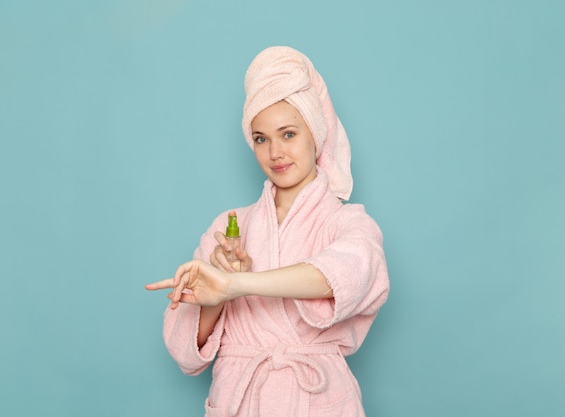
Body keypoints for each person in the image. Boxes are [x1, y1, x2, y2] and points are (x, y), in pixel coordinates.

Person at [145, 46, 389, 417]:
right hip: (239, 398)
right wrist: (216, 299)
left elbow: (343, 276)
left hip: (316, 400)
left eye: (288, 134)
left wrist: (239, 285)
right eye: (261, 138)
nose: (275, 152)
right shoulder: (229, 229)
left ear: (316, 135)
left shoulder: (350, 224)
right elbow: (183, 352)